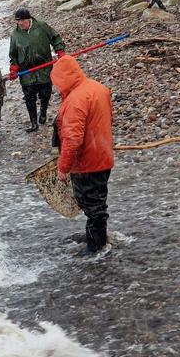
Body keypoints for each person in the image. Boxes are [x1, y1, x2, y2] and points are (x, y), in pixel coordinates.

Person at [51, 55, 114, 254]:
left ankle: (97, 250)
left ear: (62, 78)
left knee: (92, 205)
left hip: (87, 162)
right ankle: (97, 238)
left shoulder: (75, 101)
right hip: (103, 156)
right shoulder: (97, 88)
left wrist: (63, 168)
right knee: (97, 201)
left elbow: (72, 139)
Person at [8, 8, 66, 132]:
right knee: (29, 97)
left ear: (28, 19)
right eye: (17, 21)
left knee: (45, 94)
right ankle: (34, 124)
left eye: (22, 21)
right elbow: (13, 55)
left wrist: (60, 51)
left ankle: (43, 111)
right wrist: (14, 69)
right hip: (26, 72)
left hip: (44, 68)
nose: (20, 24)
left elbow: (55, 38)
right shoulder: (15, 34)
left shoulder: (42, 26)